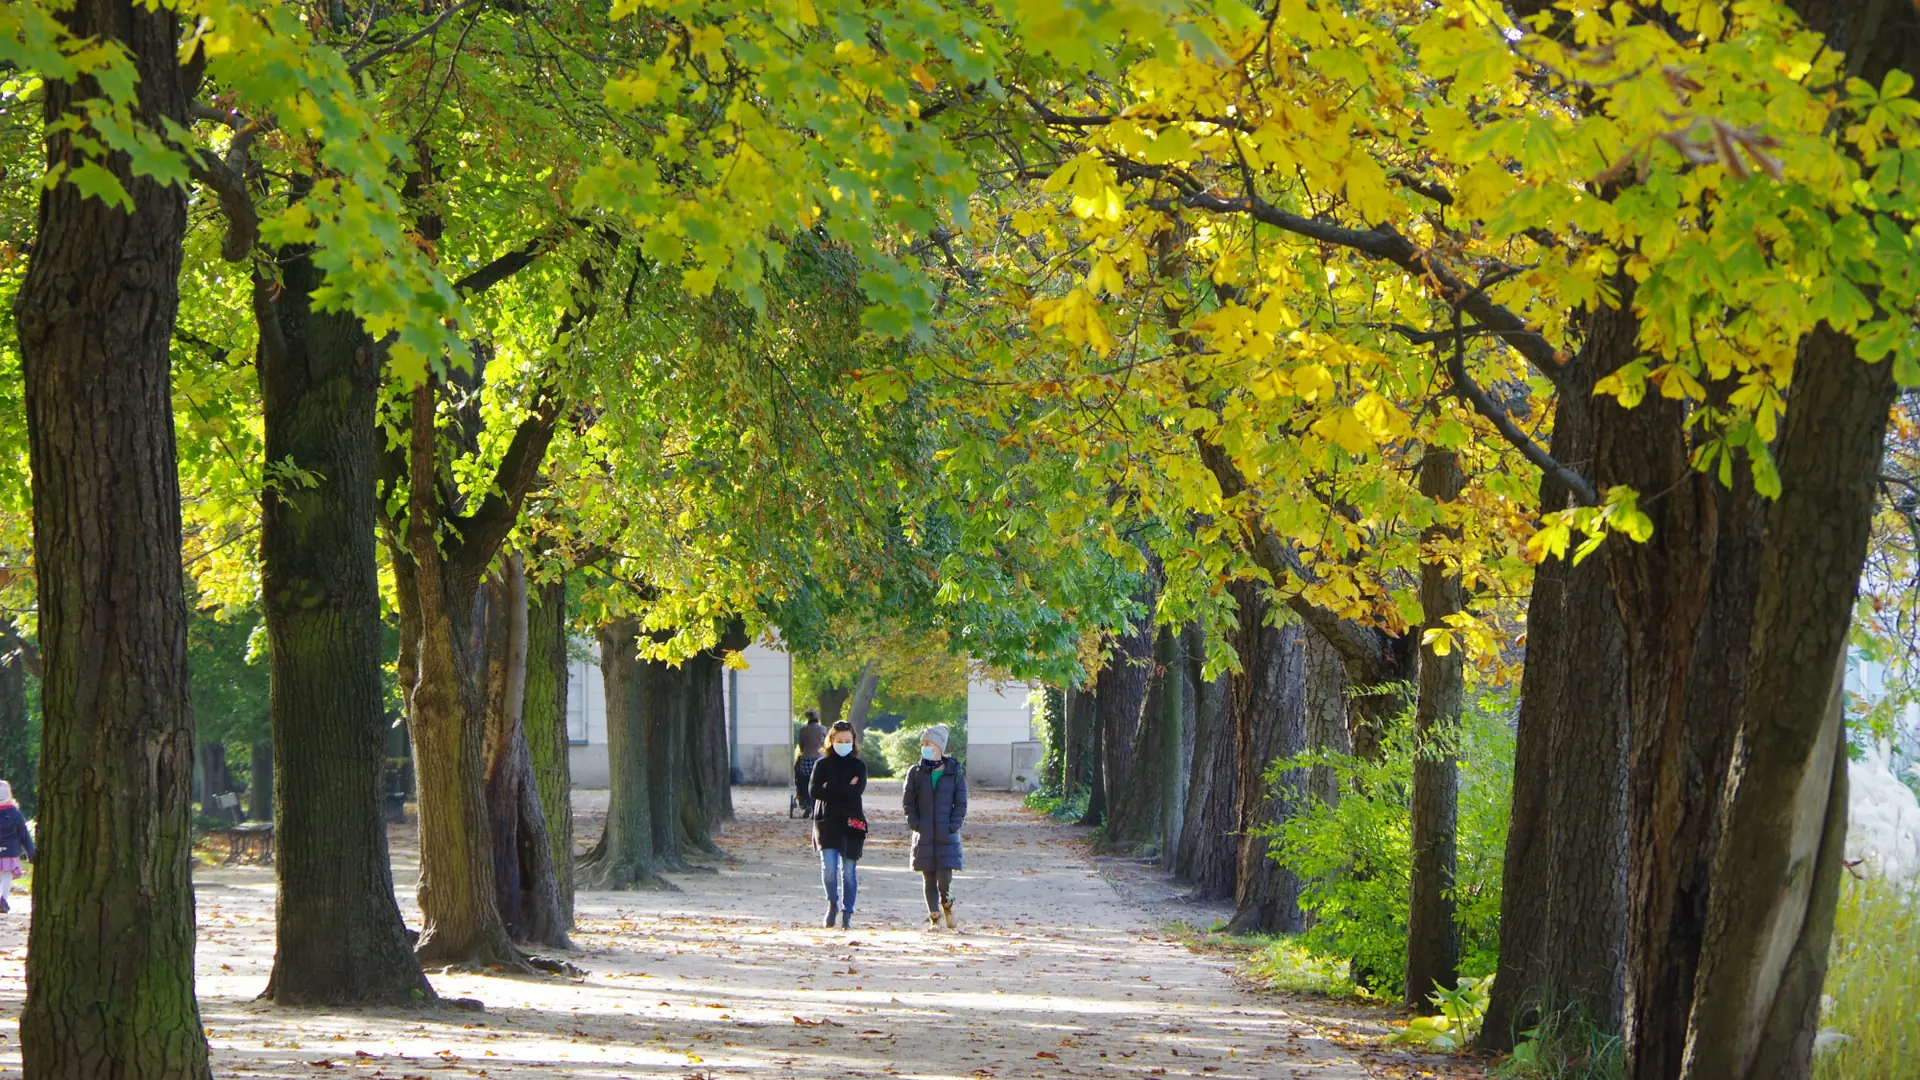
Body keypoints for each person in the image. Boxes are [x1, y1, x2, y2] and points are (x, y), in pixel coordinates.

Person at [902, 724, 967, 930]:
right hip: (924, 834)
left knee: (944, 879)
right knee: (928, 876)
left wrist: (953, 825)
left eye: (928, 743)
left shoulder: (954, 771)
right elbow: (908, 802)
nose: (924, 747)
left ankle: (947, 905)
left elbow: (961, 803)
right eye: (922, 744)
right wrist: (915, 824)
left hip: (946, 834)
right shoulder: (916, 772)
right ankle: (934, 915)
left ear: (940, 746)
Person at [808, 720, 868, 929]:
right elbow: (814, 792)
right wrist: (843, 787)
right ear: (831, 740)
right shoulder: (821, 764)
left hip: (852, 824)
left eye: (848, 741)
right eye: (840, 740)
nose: (844, 744)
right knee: (830, 869)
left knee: (849, 872)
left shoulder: (858, 766)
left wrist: (830, 787)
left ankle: (847, 912)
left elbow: (856, 791)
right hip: (827, 823)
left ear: (853, 742)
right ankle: (832, 904)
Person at [0, 781, 33, 914]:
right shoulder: (15, 814)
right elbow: (24, 834)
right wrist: (31, 852)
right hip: (10, 851)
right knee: (6, 875)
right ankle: (2, 898)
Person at [794, 709, 829, 817]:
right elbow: (826, 745)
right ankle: (817, 805)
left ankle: (807, 803)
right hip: (820, 758)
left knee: (804, 780)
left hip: (807, 758)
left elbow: (801, 746)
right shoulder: (823, 729)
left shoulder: (803, 730)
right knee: (819, 782)